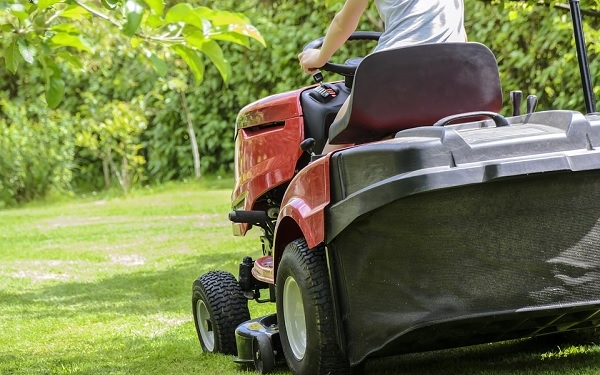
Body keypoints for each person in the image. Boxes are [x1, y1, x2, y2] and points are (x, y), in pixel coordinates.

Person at [298, 0, 467, 153]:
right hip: (458, 76)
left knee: (337, 138)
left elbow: (343, 23)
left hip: (395, 73)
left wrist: (320, 58)